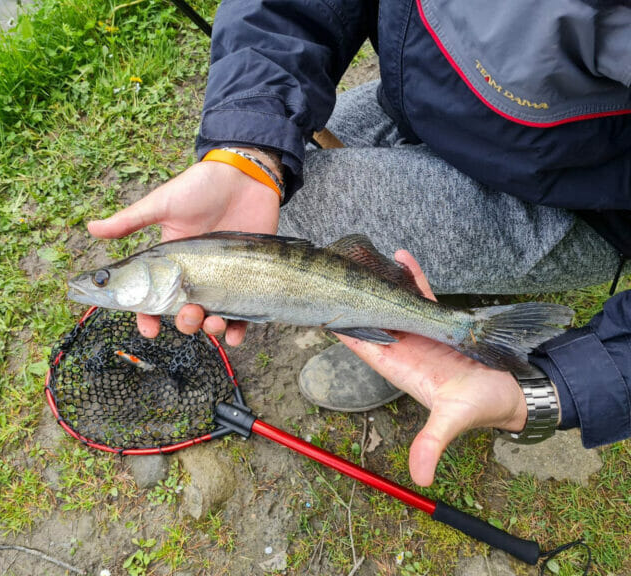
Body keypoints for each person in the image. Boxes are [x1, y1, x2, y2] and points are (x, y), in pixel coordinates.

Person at [87, 0, 631, 487]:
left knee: (299, 211)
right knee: (278, 176)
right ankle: (404, 319)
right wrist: (246, 150)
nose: (101, 285)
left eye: (107, 279)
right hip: (430, 98)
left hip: (587, 198)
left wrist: (556, 391)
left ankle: (443, 328)